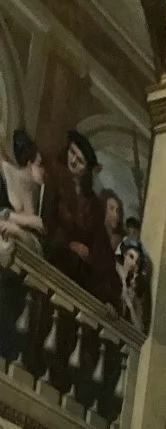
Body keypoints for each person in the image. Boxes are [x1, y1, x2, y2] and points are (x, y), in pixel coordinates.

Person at [46, 129, 116, 301]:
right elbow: (47, 219)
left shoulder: (92, 203)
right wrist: (70, 244)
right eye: (72, 153)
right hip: (56, 255)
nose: (74, 161)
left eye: (80, 161)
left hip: (80, 268)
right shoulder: (54, 180)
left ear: (87, 170)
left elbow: (99, 243)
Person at [0, 128, 46, 257]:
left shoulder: (42, 196)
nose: (43, 171)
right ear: (29, 163)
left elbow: (40, 232)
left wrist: (17, 226)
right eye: (39, 165)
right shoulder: (10, 177)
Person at [113, 235, 148, 333]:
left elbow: (139, 330)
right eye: (131, 257)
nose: (133, 264)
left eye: (137, 263)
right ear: (124, 254)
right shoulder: (113, 270)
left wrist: (130, 305)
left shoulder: (134, 290)